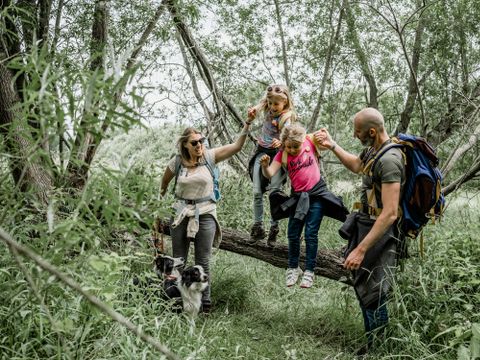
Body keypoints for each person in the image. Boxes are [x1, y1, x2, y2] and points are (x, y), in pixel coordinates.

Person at [315, 107, 405, 354]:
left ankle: (381, 350)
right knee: (363, 288)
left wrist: (361, 249)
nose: (355, 136)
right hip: (365, 225)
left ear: (373, 132)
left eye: (358, 132)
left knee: (375, 291)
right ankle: (373, 344)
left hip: (381, 233)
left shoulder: (390, 160)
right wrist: (333, 145)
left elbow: (390, 213)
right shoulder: (373, 151)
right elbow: (356, 165)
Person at [160, 119, 252, 313]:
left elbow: (237, 146)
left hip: (206, 213)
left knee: (203, 260)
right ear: (185, 144)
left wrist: (248, 123)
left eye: (201, 140)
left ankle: (205, 303)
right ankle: (176, 301)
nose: (199, 145)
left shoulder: (210, 157)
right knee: (179, 260)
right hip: (180, 213)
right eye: (194, 142)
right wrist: (156, 207)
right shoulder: (176, 162)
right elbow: (163, 185)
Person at [260, 123, 348, 288]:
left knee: (310, 234)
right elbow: (270, 173)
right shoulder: (282, 154)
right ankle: (293, 267)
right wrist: (265, 166)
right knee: (293, 233)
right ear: (284, 143)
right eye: (289, 146)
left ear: (302, 140)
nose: (293, 149)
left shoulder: (309, 140)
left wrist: (326, 134)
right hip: (298, 198)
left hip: (317, 196)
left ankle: (309, 270)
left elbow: (324, 134)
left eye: (296, 146)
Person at [247, 84, 296, 246]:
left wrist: (280, 141)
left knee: (275, 192)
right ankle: (258, 226)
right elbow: (262, 103)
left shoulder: (286, 117)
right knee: (256, 191)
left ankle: (274, 228)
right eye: (270, 102)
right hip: (262, 152)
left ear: (285, 102)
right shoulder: (267, 105)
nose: (272, 106)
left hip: (277, 156)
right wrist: (254, 109)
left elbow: (289, 136)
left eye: (276, 104)